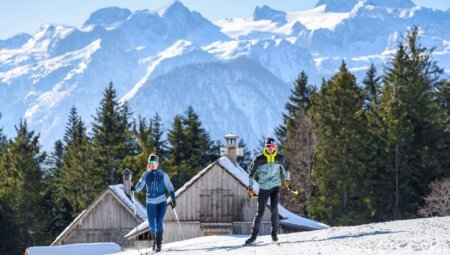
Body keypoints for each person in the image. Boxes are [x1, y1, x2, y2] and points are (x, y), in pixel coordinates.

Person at [245, 137, 291, 245]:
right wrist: (250, 187)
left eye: (272, 146)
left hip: (275, 188)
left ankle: (274, 234)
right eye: (268, 146)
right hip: (263, 189)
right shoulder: (259, 159)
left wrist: (288, 181)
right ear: (265, 147)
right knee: (259, 213)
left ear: (275, 147)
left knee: (275, 210)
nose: (270, 148)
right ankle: (253, 236)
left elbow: (286, 169)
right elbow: (251, 174)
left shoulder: (279, 158)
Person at [133, 154, 176, 253]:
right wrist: (134, 188)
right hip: (150, 203)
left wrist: (173, 199)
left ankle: (158, 244)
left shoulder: (163, 174)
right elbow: (140, 186)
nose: (152, 164)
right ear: (149, 164)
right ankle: (154, 242)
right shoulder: (146, 175)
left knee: (158, 221)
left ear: (158, 163)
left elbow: (170, 187)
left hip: (161, 202)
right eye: (150, 163)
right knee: (152, 224)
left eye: (154, 162)